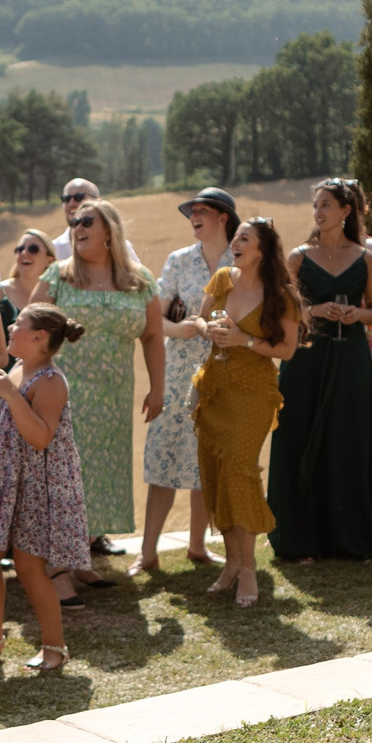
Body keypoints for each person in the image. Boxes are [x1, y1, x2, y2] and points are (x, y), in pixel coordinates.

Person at [0, 303, 89, 672]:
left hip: (36, 484)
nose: (10, 326)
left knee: (28, 566)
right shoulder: (19, 368)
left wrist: (8, 395)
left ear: (39, 336)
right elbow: (11, 420)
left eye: (18, 323)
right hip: (3, 475)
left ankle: (55, 647)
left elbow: (40, 437)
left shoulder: (51, 382)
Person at [30, 198, 164, 560]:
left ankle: (84, 552)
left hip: (114, 397)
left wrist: (158, 387)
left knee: (102, 473)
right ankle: (62, 560)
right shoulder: (58, 276)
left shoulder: (139, 280)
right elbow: (28, 328)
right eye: (74, 222)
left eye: (87, 221)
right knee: (67, 473)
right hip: (62, 394)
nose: (77, 228)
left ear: (110, 232)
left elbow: (153, 336)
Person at [268, 179, 372, 562]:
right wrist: (313, 310)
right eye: (316, 205)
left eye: (326, 205)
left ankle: (348, 535)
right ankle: (299, 537)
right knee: (300, 435)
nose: (318, 212)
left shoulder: (365, 258)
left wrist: (357, 314)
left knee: (347, 438)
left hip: (350, 358)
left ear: (345, 211)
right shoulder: (299, 257)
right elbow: (280, 308)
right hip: (306, 359)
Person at [194, 218, 301, 606]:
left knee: (240, 472)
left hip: (253, 394)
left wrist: (244, 339)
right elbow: (200, 318)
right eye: (235, 237)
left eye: (244, 238)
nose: (235, 243)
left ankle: (249, 570)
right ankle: (232, 563)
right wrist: (207, 329)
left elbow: (287, 350)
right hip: (214, 389)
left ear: (262, 250)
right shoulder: (222, 279)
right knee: (217, 473)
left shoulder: (282, 296)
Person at [141, 189, 235, 573]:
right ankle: (147, 554)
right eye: (191, 212)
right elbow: (155, 319)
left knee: (205, 460)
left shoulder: (242, 259)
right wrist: (181, 329)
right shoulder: (178, 261)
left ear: (223, 217)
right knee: (164, 456)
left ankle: (198, 546)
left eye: (202, 211)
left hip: (224, 372)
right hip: (179, 373)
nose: (194, 217)